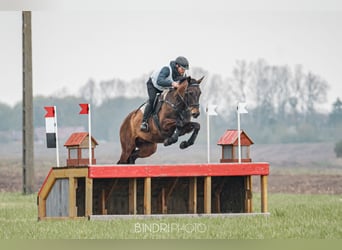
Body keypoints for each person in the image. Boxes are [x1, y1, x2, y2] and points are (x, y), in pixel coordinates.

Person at [140, 56, 189, 132]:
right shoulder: (167, 69)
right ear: (177, 66)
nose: (183, 71)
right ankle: (144, 122)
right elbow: (160, 81)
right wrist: (172, 83)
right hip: (154, 85)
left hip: (164, 88)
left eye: (184, 70)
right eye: (182, 69)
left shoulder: (181, 75)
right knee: (152, 99)